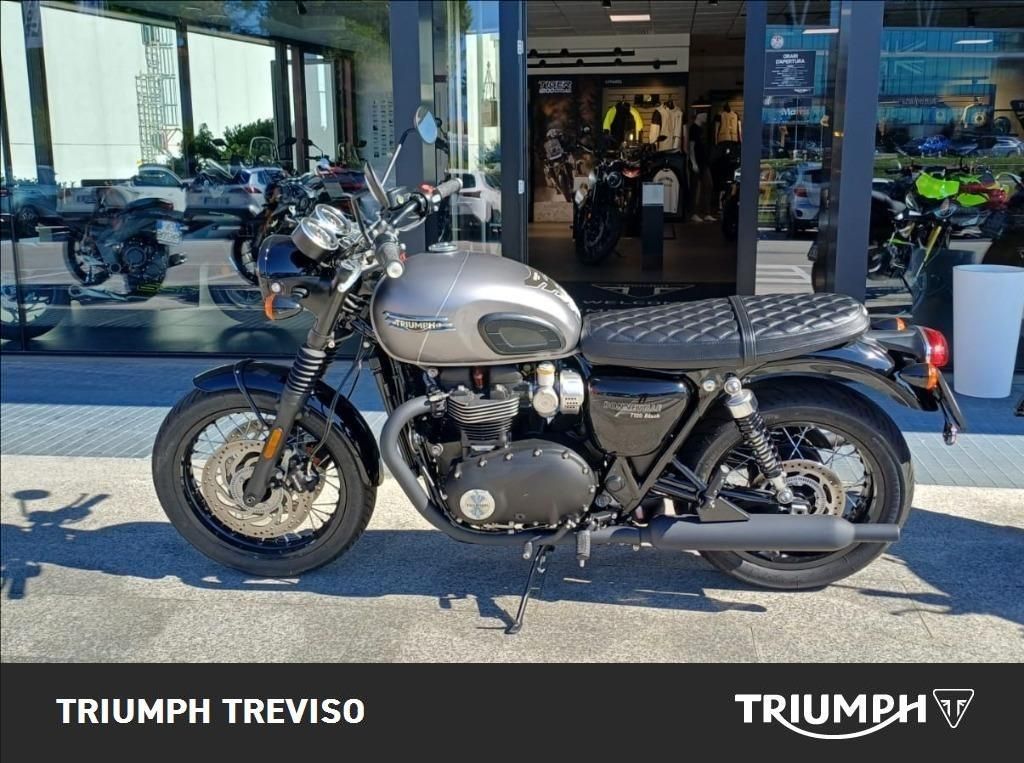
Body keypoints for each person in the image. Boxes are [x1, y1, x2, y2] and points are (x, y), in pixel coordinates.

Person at [688, 111, 714, 222]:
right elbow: (691, 147)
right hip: (696, 162)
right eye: (704, 114)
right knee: (695, 188)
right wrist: (693, 162)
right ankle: (694, 213)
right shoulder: (693, 129)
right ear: (699, 115)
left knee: (708, 185)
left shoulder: (702, 129)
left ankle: (706, 212)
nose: (706, 117)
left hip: (704, 162)